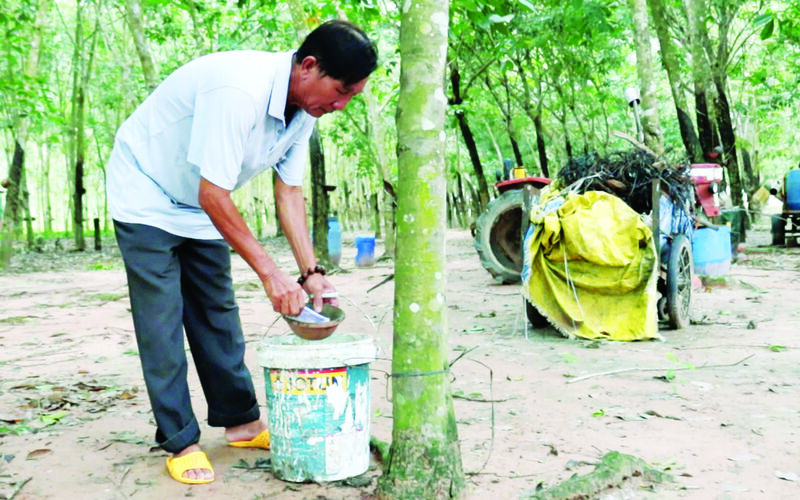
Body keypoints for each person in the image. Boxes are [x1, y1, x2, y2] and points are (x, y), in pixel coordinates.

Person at [106, 20, 377, 485]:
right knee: (162, 320)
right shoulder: (239, 90)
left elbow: (289, 191)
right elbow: (215, 193)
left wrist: (309, 272)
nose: (341, 104)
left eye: (353, 96)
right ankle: (180, 439)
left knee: (217, 312)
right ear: (309, 66)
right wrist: (271, 273)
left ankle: (241, 422)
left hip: (196, 203)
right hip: (146, 192)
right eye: (341, 90)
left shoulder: (305, 112)